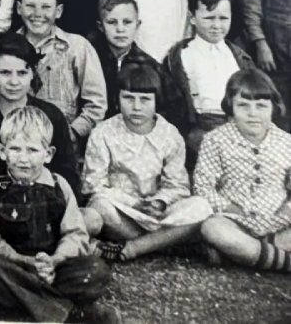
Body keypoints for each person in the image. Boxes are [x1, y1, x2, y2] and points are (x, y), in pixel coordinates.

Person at [0, 107, 118, 324]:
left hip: (53, 268)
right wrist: (24, 262)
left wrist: (54, 261)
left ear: (48, 154)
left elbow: (75, 234)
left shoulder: (59, 185)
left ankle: (2, 307)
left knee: (96, 270)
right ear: (2, 151)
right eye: (15, 149)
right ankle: (70, 315)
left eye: (32, 150)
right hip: (13, 266)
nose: (23, 158)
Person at [82, 63, 212, 263]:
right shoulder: (103, 133)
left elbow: (177, 185)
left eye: (145, 100)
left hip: (160, 215)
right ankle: (165, 244)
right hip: (123, 213)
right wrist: (133, 203)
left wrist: (159, 202)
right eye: (128, 98)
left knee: (201, 206)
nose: (136, 107)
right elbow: (93, 184)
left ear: (156, 101)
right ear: (117, 99)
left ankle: (133, 248)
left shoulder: (169, 135)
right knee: (99, 206)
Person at [196, 69, 291, 271]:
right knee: (211, 228)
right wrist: (231, 209)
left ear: (274, 107)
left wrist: (286, 211)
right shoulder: (215, 140)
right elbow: (203, 188)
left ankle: (243, 253)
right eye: (243, 105)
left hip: (279, 223)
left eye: (261, 106)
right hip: (236, 222)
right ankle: (283, 262)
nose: (253, 113)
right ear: (230, 106)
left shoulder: (287, 143)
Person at [0, 33, 80, 193]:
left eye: (22, 73)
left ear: (33, 72)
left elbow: (67, 174)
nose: (14, 82)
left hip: (45, 200)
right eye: (5, 73)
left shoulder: (51, 116)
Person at [163, 0, 256, 160]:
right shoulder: (181, 55)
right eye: (209, 18)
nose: (216, 25)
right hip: (199, 131)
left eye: (223, 18)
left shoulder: (239, 57)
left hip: (239, 128)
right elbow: (172, 104)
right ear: (192, 17)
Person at [14, 0, 107, 146]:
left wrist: (70, 134)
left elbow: (96, 103)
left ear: (58, 11)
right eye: (30, 6)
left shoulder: (77, 47)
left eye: (46, 7)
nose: (37, 14)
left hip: (66, 147)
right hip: (17, 145)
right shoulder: (7, 47)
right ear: (19, 8)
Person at [89, 0, 183, 124]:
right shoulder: (90, 59)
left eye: (127, 22)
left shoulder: (149, 65)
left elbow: (174, 107)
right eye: (112, 22)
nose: (120, 29)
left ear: (137, 25)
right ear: (101, 27)